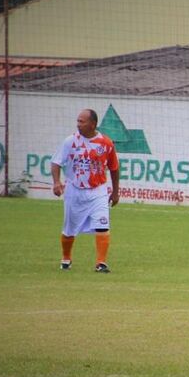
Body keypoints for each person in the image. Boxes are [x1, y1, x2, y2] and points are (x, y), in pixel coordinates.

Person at [51, 109, 120, 272]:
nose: (78, 124)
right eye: (78, 121)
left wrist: (115, 191)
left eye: (82, 121)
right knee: (69, 229)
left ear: (93, 124)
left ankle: (101, 263)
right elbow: (56, 162)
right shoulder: (70, 141)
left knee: (103, 224)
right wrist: (56, 182)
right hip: (74, 190)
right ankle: (66, 258)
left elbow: (114, 168)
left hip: (98, 190)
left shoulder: (106, 143)